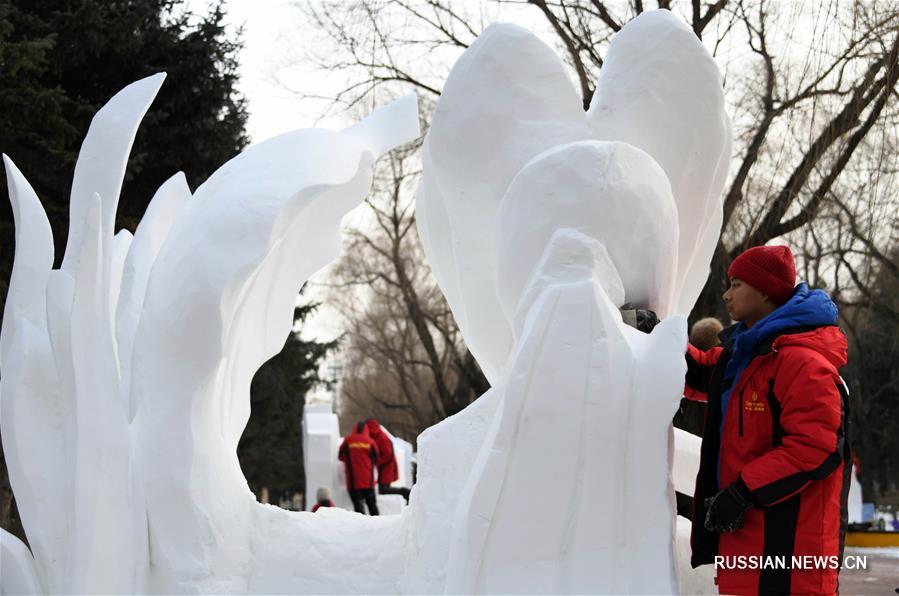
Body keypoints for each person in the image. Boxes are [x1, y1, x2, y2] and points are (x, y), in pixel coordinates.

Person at [685, 245, 851, 595]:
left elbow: (814, 447)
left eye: (737, 284)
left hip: (791, 563)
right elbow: (701, 373)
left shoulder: (803, 363)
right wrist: (651, 334)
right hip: (748, 548)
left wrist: (741, 493)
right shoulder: (746, 355)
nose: (726, 295)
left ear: (765, 291)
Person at [337, 421, 380, 515]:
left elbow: (340, 456)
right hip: (369, 482)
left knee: (359, 509)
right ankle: (378, 523)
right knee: (372, 506)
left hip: (353, 482)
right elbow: (376, 459)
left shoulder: (348, 440)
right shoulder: (371, 442)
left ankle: (362, 524)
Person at [366, 418, 411, 503]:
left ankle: (405, 492)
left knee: (384, 489)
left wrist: (376, 462)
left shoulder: (381, 438)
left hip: (387, 468)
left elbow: (388, 454)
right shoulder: (377, 436)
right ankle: (406, 493)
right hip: (384, 467)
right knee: (383, 489)